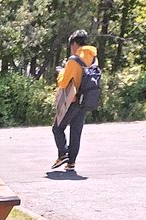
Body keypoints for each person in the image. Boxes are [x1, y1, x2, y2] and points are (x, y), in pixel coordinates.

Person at [52, 30, 99, 172]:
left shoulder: (74, 59)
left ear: (74, 44)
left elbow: (63, 83)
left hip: (73, 100)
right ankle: (71, 163)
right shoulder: (93, 58)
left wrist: (61, 72)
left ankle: (63, 154)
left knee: (57, 128)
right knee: (76, 132)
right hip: (86, 100)